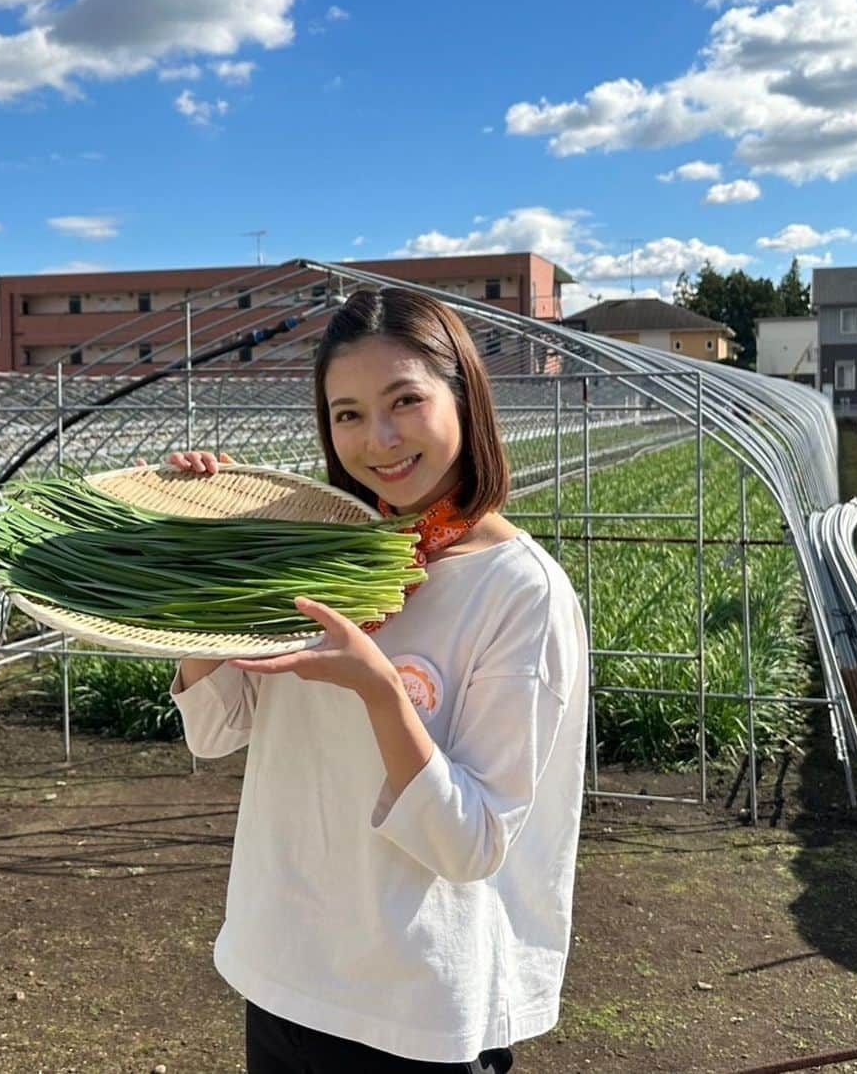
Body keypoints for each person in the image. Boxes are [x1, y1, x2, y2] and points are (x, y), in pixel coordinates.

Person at [165, 286, 589, 1074]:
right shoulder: (315, 553)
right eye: (348, 413)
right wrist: (203, 564)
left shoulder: (520, 590)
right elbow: (215, 729)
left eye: (406, 400)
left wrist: (380, 690)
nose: (379, 439)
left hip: (419, 1009)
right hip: (285, 970)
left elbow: (473, 843)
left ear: (465, 398)